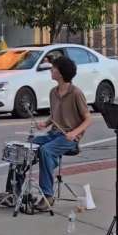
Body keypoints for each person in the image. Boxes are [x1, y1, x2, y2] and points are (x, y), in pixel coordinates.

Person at [32, 56, 92, 210]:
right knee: (27, 146)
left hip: (69, 138)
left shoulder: (76, 93)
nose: (51, 70)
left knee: (45, 151)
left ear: (61, 72)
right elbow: (55, 115)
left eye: (54, 68)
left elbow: (88, 119)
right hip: (53, 134)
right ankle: (16, 191)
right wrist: (44, 124)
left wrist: (74, 133)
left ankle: (48, 196)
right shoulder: (53, 92)